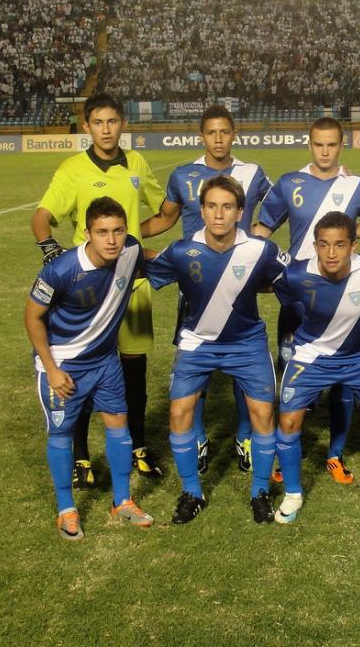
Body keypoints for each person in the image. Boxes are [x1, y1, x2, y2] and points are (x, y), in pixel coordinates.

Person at [31, 92, 166, 487]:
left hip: (132, 286)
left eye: (112, 121)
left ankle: (138, 446)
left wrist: (139, 235)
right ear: (87, 127)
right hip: (87, 290)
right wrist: (51, 251)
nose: (106, 129)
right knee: (81, 372)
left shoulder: (137, 163)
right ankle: (81, 457)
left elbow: (163, 209)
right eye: (98, 123)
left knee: (134, 373)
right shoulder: (72, 168)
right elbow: (42, 217)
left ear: (123, 123)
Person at [145, 175, 288, 524]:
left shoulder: (261, 249)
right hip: (197, 344)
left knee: (263, 416)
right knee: (179, 414)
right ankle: (192, 492)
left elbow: (292, 280)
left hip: (246, 343)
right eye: (211, 206)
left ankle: (259, 493)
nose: (218, 214)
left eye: (227, 207)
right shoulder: (182, 251)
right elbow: (146, 270)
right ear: (202, 210)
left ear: (240, 211)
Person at [142, 104, 272, 476]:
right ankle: (197, 437)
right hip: (194, 281)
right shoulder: (183, 175)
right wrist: (127, 234)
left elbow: (277, 210)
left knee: (245, 365)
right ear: (202, 136)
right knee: (192, 370)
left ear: (234, 134)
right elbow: (166, 219)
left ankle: (246, 436)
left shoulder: (253, 173)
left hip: (239, 280)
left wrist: (256, 245)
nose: (218, 139)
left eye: (224, 132)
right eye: (211, 133)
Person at [254, 117, 360, 484]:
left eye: (332, 145)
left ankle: (335, 455)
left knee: (343, 380)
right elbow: (263, 230)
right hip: (297, 298)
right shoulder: (288, 183)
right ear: (309, 144)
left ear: (342, 146)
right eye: (318, 144)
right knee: (291, 376)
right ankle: (285, 452)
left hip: (343, 301)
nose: (325, 151)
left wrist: (350, 236)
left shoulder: (356, 185)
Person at [24, 197, 154, 540]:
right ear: (87, 233)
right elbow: (32, 316)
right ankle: (67, 509)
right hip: (64, 365)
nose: (111, 240)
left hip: (106, 361)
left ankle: (122, 501)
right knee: (62, 434)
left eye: (118, 231)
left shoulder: (131, 251)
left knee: (118, 425)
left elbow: (150, 261)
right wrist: (51, 369)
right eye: (102, 232)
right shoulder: (61, 269)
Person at [271, 212, 360, 526]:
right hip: (312, 356)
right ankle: (293, 493)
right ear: (315, 246)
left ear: (353, 246)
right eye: (324, 245)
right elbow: (274, 290)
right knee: (288, 423)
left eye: (340, 245)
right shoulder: (296, 275)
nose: (331, 253)